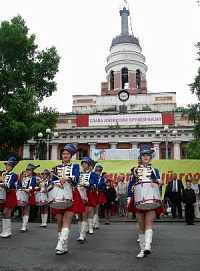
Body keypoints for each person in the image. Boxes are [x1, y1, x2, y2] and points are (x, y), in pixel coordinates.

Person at [127, 146, 163, 259]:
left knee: (149, 223)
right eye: (144, 155)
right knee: (141, 225)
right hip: (138, 199)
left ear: (150, 157)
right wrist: (129, 197)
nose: (146, 157)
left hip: (151, 198)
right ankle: (142, 250)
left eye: (148, 155)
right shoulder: (134, 170)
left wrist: (159, 181)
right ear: (140, 157)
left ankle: (148, 246)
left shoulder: (154, 170)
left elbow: (158, 183)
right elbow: (131, 185)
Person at [50, 143, 85, 255]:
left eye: (67, 154)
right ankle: (64, 246)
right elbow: (53, 181)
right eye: (63, 153)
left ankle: (61, 243)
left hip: (71, 194)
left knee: (67, 219)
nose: (65, 155)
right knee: (60, 222)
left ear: (71, 156)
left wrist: (67, 178)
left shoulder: (74, 166)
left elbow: (76, 178)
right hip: (59, 195)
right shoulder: (57, 168)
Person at [77, 156, 98, 242]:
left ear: (88, 165)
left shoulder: (92, 174)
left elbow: (93, 182)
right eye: (83, 164)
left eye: (86, 164)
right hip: (79, 194)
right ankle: (80, 232)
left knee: (86, 212)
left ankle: (83, 234)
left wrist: (86, 183)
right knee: (79, 214)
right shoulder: (79, 173)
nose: (84, 165)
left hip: (87, 193)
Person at [0, 157, 18, 238]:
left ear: (12, 166)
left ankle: (8, 231)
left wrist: (3, 184)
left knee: (6, 212)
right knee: (4, 213)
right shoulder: (5, 174)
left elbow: (11, 184)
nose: (6, 167)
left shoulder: (14, 174)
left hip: (10, 193)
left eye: (8, 165)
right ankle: (4, 230)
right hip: (5, 194)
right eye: (6, 165)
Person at [17, 163, 38, 232]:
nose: (28, 171)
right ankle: (24, 224)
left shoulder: (33, 178)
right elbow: (19, 185)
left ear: (32, 171)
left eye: (29, 170)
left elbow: (32, 184)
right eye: (27, 170)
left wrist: (28, 189)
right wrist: (18, 186)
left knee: (26, 209)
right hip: (22, 194)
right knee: (22, 209)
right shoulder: (22, 178)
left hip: (29, 194)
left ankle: (24, 226)